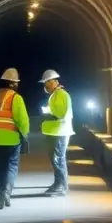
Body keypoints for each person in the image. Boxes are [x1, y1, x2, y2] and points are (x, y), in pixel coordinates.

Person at [0, 68, 30, 208]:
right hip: (12, 138)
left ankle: (1, 191)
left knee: (1, 166)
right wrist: (25, 134)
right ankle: (6, 192)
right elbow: (23, 120)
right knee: (12, 165)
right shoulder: (16, 98)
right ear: (14, 83)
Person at [39, 69, 73, 197]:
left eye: (47, 83)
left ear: (54, 82)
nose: (45, 86)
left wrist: (47, 114)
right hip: (54, 132)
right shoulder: (54, 95)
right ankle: (58, 183)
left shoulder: (62, 95)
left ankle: (62, 186)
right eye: (44, 83)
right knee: (55, 159)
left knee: (58, 159)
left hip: (60, 132)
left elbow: (60, 113)